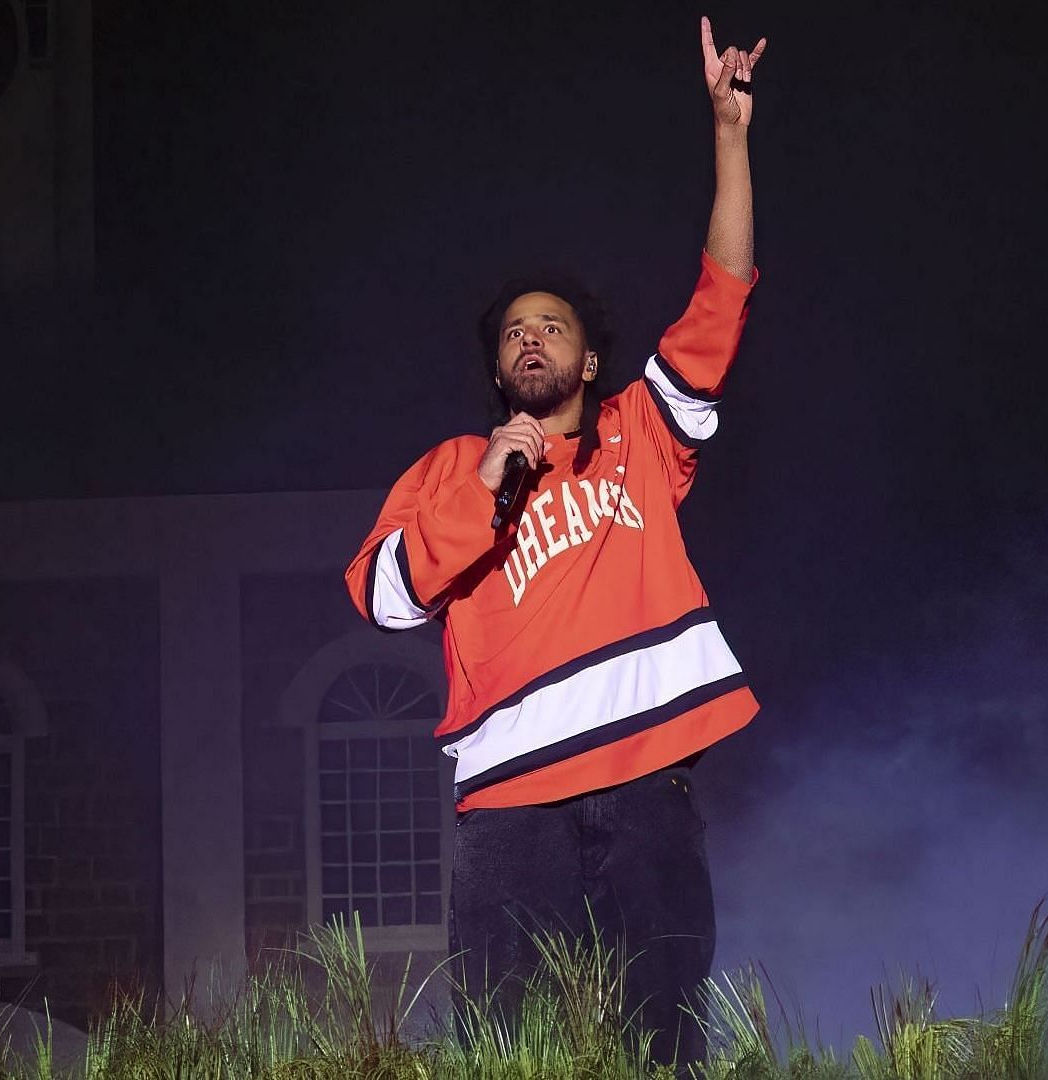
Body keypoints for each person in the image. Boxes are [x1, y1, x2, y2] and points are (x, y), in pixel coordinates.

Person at [344, 16, 766, 1069]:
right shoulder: (449, 469)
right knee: (504, 1039)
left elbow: (721, 299)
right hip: (507, 801)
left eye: (553, 329)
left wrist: (729, 134)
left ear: (587, 364)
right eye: (512, 334)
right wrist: (485, 488)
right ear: (500, 374)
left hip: (642, 771)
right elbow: (385, 597)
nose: (530, 339)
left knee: (665, 1020)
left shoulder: (640, 432)